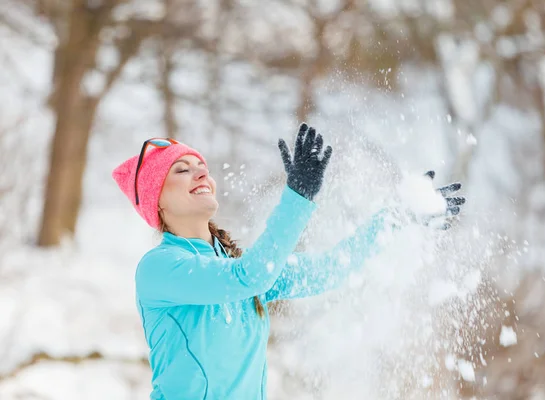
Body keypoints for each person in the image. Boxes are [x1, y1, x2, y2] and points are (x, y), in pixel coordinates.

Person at [112, 123, 464, 400]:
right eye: (182, 170)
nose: (202, 174)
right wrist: (297, 199)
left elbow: (328, 270)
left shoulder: (241, 268)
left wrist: (393, 217)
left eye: (202, 167)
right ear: (157, 201)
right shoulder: (160, 268)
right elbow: (247, 278)